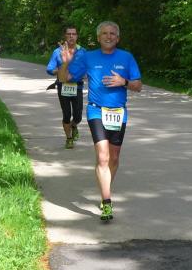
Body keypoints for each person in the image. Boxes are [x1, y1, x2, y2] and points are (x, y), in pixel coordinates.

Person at [58, 21, 142, 222]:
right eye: (104, 33)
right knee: (103, 157)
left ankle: (106, 188)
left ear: (118, 38)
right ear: (98, 37)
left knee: (114, 158)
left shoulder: (127, 57)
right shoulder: (87, 57)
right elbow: (64, 78)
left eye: (112, 33)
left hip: (118, 112)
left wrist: (124, 82)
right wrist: (66, 62)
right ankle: (107, 202)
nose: (108, 36)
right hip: (96, 111)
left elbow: (138, 85)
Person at [46, 25, 86, 149]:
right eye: (69, 34)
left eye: (73, 34)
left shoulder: (82, 52)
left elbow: (88, 68)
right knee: (66, 114)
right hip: (62, 86)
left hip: (77, 87)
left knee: (78, 116)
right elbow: (49, 69)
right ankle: (69, 138)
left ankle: (74, 125)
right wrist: (59, 72)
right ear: (65, 36)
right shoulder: (57, 52)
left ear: (77, 36)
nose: (71, 36)